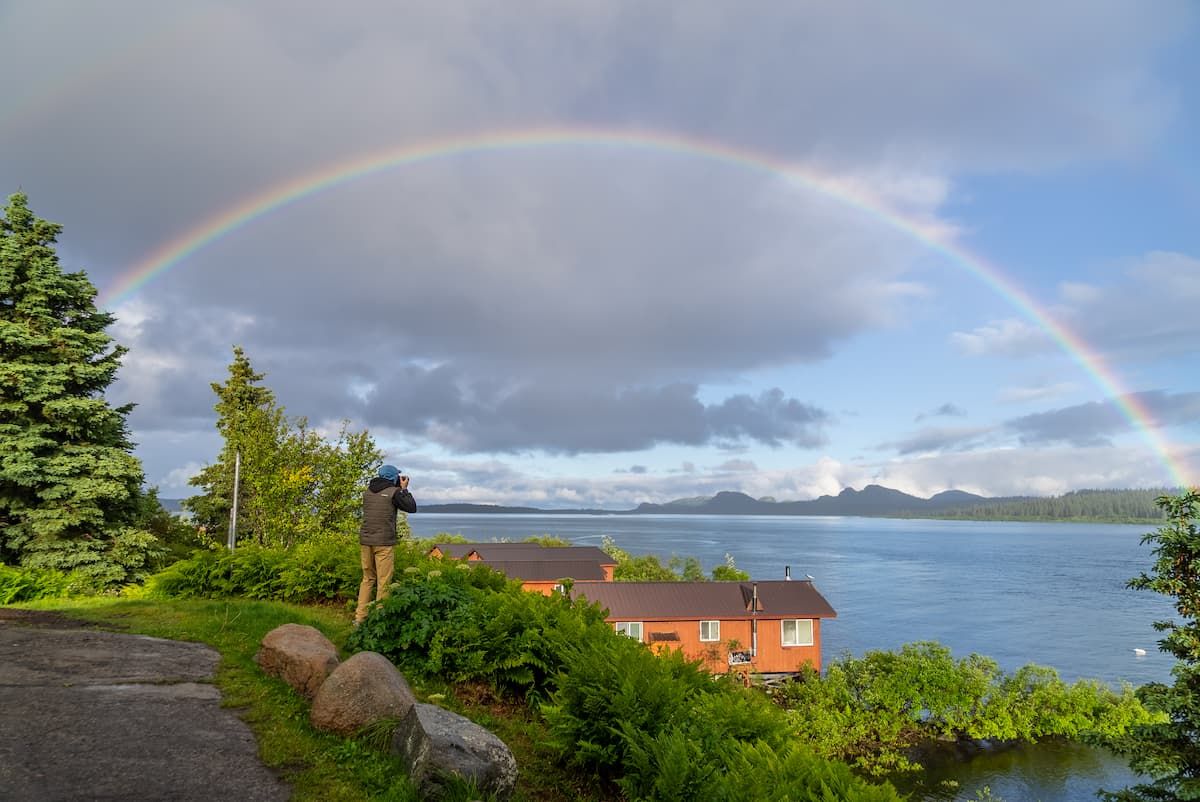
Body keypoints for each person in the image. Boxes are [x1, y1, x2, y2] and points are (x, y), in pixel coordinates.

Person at [355, 464, 416, 625]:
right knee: (384, 582)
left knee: (367, 579)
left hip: (366, 541)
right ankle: (378, 620)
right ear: (393, 477)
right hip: (384, 543)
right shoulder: (394, 493)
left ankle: (360, 618)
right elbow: (411, 507)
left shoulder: (367, 492)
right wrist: (404, 489)